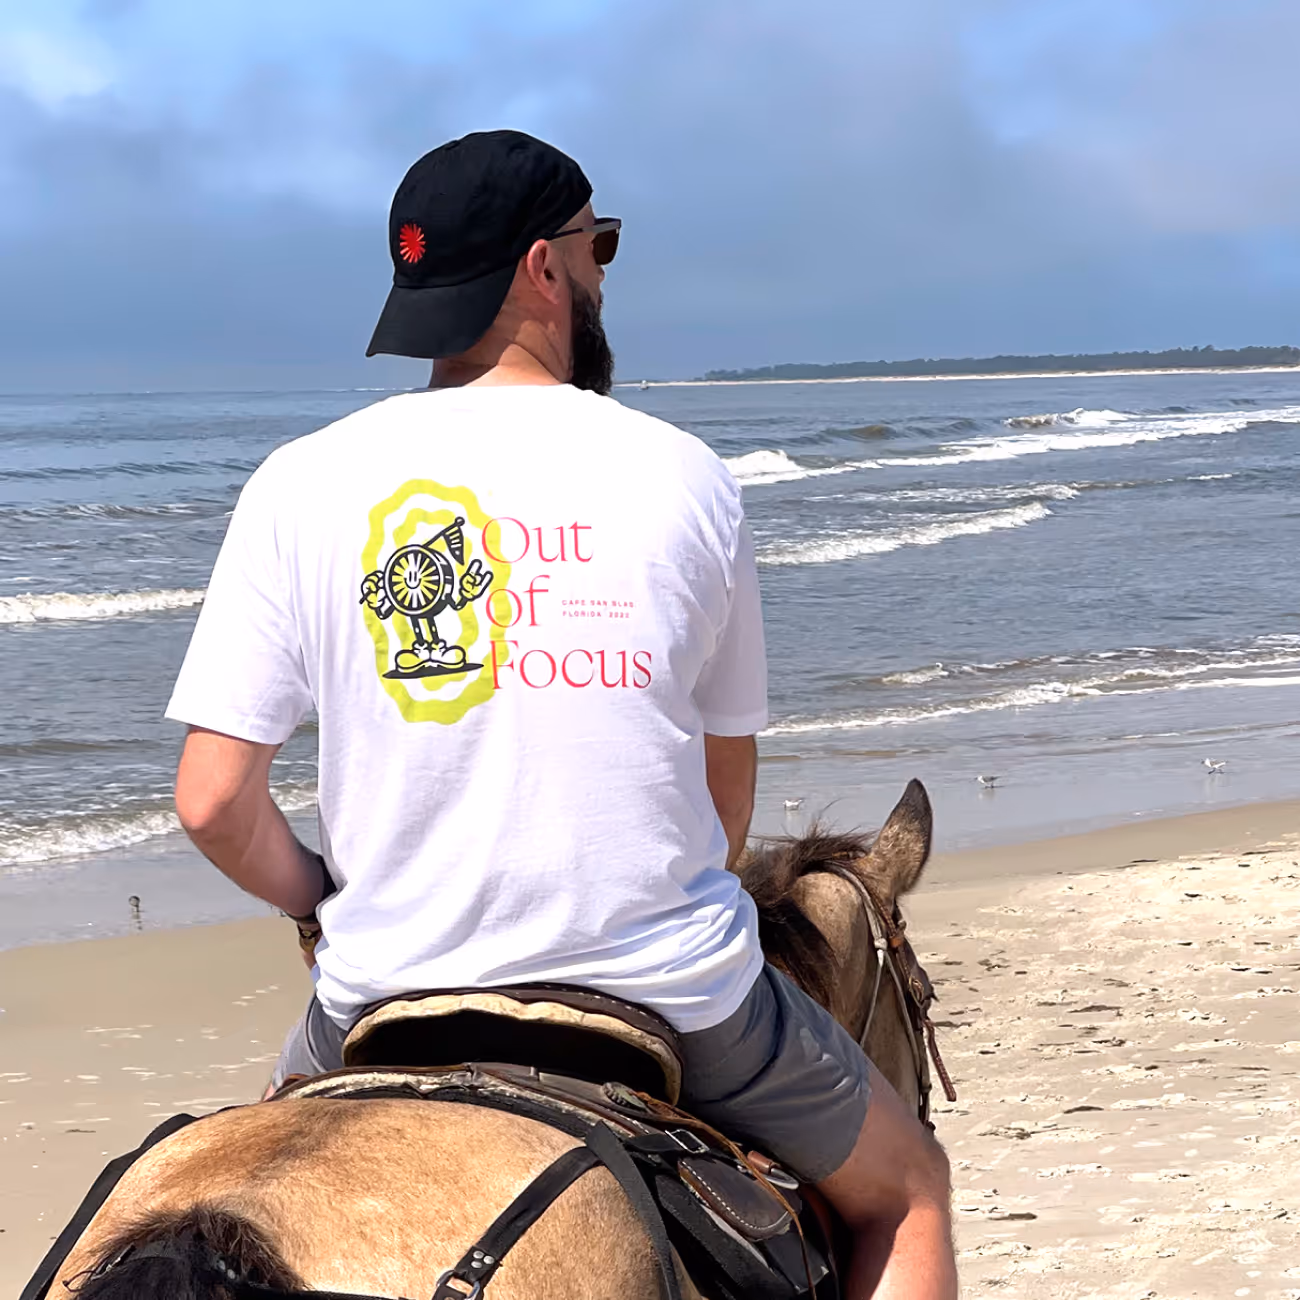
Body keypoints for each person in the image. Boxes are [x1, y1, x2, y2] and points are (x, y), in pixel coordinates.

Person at [167, 129, 956, 1298]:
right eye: (603, 248)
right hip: (671, 995)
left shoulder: (296, 481)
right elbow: (720, 807)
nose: (602, 275)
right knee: (912, 1193)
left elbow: (214, 801)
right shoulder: (685, 473)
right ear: (546, 266)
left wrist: (327, 900)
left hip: (381, 993)